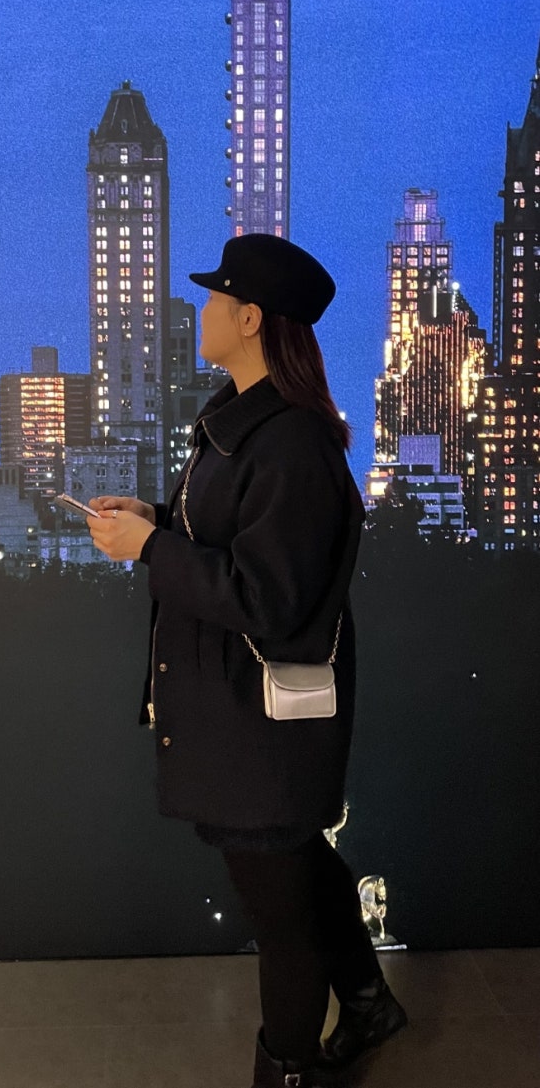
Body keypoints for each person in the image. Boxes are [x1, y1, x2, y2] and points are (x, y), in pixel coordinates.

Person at [86, 234, 407, 1088]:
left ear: (251, 317)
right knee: (297, 867)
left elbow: (267, 596)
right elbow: (233, 538)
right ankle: (368, 1003)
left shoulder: (290, 440)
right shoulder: (243, 422)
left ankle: (287, 1071)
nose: (203, 310)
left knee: (282, 915)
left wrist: (150, 546)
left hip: (261, 724)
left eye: (214, 297)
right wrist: (154, 519)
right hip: (235, 712)